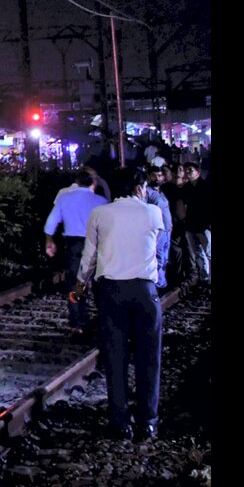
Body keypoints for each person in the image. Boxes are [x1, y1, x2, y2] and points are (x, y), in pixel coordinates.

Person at [71, 168, 164, 440]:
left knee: (115, 358)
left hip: (111, 292)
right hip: (145, 291)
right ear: (138, 187)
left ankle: (120, 421)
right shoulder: (153, 213)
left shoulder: (100, 214)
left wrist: (80, 285)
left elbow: (89, 256)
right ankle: (148, 422)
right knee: (149, 359)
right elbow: (155, 246)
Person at [43, 170, 106, 334]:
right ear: (92, 183)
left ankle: (77, 322)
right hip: (97, 244)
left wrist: (49, 240)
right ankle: (104, 317)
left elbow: (51, 221)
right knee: (100, 282)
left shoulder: (65, 198)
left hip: (74, 244)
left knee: (75, 283)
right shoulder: (101, 201)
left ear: (77, 181)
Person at [142, 167, 173, 290]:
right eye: (154, 176)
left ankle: (162, 282)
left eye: (160, 176)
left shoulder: (162, 192)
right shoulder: (147, 192)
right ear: (149, 177)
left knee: (164, 257)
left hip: (167, 230)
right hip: (157, 230)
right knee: (158, 257)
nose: (157, 178)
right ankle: (158, 284)